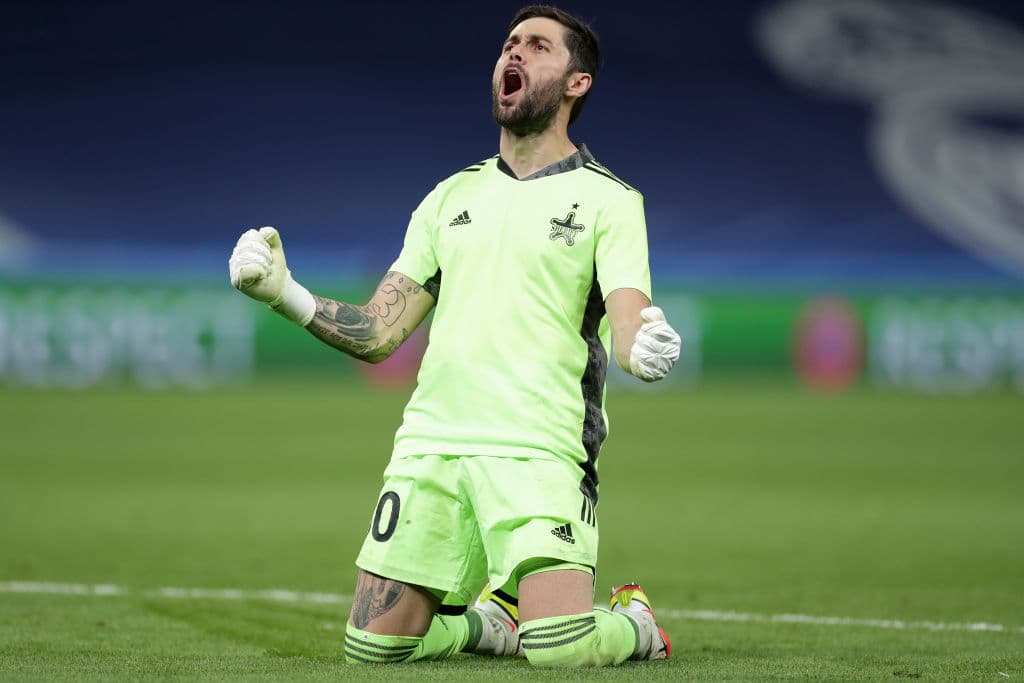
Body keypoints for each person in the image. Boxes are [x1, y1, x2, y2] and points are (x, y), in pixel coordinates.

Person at [228, 4, 681, 668]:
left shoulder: (610, 200)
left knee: (557, 647)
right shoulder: (448, 198)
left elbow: (629, 314)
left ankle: (637, 622)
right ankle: (490, 624)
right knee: (373, 645)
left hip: (539, 449)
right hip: (433, 446)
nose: (514, 55)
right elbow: (379, 331)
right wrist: (284, 293)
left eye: (537, 46)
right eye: (508, 44)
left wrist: (642, 345)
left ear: (577, 82)